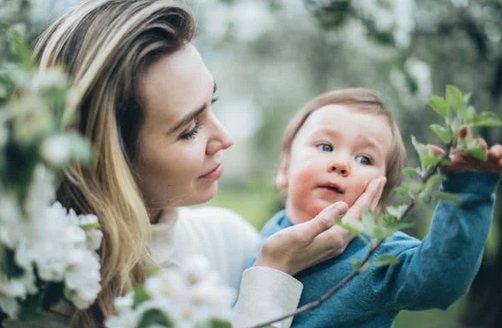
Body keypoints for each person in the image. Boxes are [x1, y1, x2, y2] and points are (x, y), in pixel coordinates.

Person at [2, 1, 387, 328]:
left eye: (212, 105)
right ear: (110, 157)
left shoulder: (232, 244)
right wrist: (274, 277)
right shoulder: (35, 297)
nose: (224, 139)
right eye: (189, 129)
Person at [249, 88, 502, 328]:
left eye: (364, 159)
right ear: (284, 169)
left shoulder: (379, 255)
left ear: (380, 199)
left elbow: (442, 280)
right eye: (325, 146)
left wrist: (469, 192)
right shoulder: (270, 235)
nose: (340, 163)